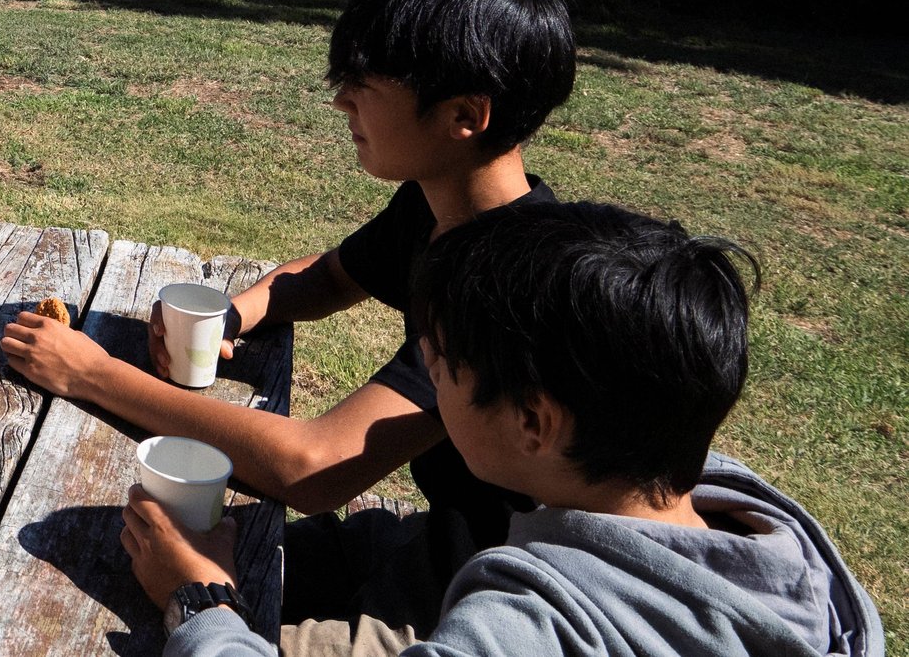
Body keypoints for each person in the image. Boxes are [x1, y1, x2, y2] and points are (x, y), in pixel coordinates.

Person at [2, 0, 575, 653]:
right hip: (436, 541)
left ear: (463, 115)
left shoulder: (508, 291)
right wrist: (230, 316)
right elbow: (329, 277)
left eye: (365, 84)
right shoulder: (439, 206)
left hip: (488, 602)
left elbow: (312, 468)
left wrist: (91, 374)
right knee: (124, 555)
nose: (341, 101)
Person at [125, 201, 885, 657]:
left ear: (533, 421)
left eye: (442, 362)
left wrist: (200, 601)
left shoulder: (532, 627)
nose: (424, 366)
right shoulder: (757, 525)